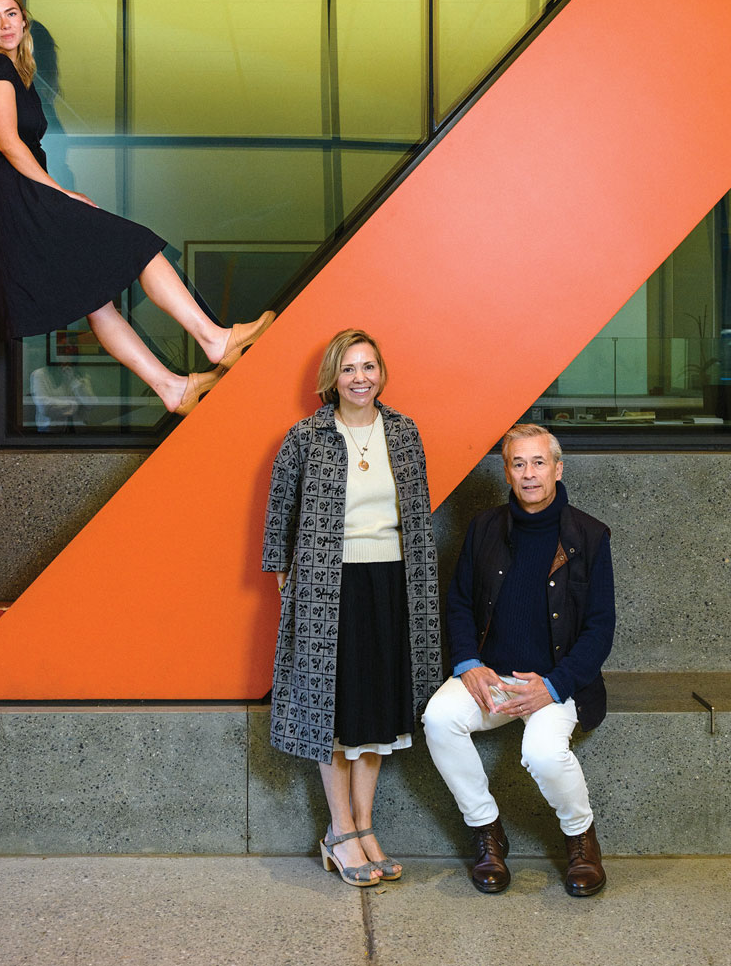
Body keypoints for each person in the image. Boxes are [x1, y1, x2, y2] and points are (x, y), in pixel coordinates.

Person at [0, 0, 274, 415]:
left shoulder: (17, 73)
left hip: (20, 198)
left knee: (97, 300)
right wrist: (62, 194)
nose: (4, 25)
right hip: (22, 199)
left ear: (23, 18)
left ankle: (171, 388)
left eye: (11, 13)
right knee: (138, 245)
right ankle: (213, 338)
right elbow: (9, 144)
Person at [263, 329, 441, 887]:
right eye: (348, 369)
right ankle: (339, 832)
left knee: (378, 710)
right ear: (331, 379)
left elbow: (420, 513)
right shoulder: (306, 436)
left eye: (369, 367)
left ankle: (365, 827)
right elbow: (281, 508)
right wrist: (283, 571)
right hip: (327, 586)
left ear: (381, 373)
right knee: (332, 710)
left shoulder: (405, 432)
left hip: (392, 583)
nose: (360, 378)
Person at [423, 424, 614, 897]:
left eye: (539, 462)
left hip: (556, 682)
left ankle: (581, 839)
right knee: (438, 718)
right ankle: (487, 831)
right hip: (490, 676)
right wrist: (468, 663)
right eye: (518, 463)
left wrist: (551, 687)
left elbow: (599, 628)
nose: (529, 474)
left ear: (558, 468)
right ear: (506, 472)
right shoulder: (485, 528)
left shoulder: (589, 535)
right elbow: (460, 602)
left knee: (542, 752)